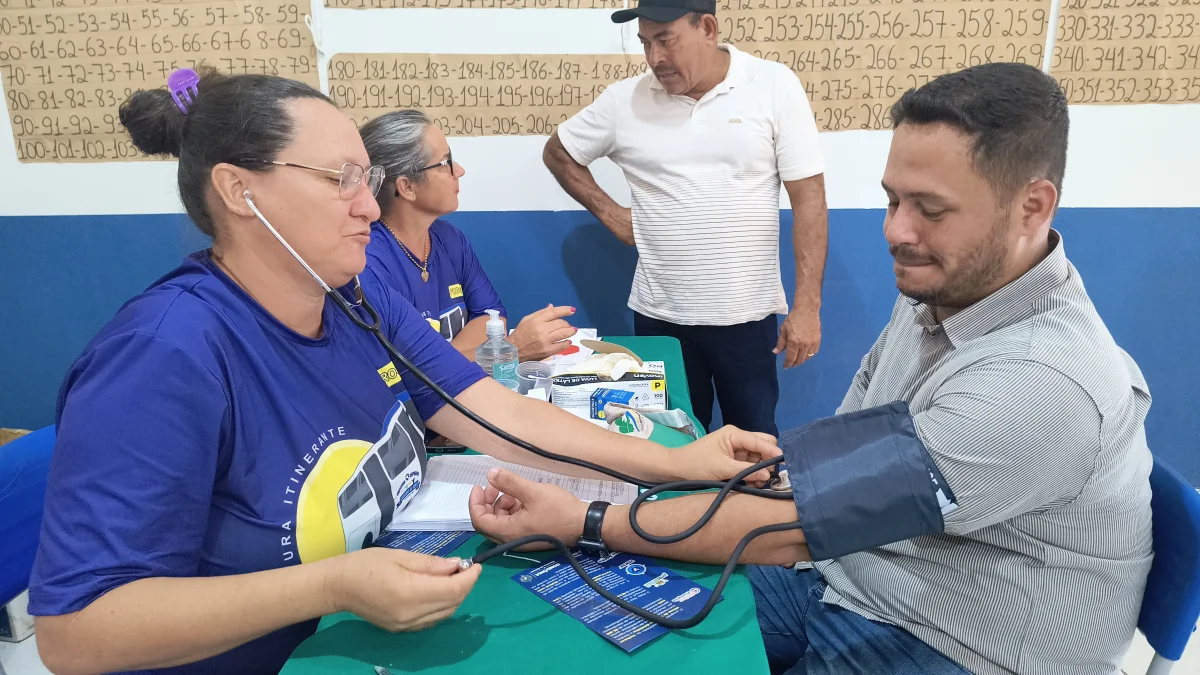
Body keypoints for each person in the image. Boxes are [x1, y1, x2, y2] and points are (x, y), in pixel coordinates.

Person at [26, 68, 781, 675]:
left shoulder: (353, 297)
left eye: (370, 177)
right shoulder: (165, 354)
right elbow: (74, 632)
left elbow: (498, 411)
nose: (368, 205)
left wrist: (677, 461)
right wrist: (331, 585)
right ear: (237, 190)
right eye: (341, 178)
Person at [471, 62, 1154, 675]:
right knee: (605, 612)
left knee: (628, 557)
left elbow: (800, 523)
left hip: (957, 638)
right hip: (855, 573)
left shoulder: (1040, 382)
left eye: (930, 210)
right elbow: (839, 467)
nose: (896, 231)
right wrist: (686, 485)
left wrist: (587, 518)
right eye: (893, 199)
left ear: (1033, 207)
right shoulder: (942, 293)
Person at [543, 0, 829, 437]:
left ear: (708, 28)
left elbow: (809, 198)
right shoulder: (625, 101)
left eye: (665, 40)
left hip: (746, 319)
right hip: (660, 318)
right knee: (668, 443)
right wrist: (612, 215)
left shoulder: (773, 85)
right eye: (645, 43)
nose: (655, 57)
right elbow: (559, 152)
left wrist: (807, 307)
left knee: (752, 446)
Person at [358, 110, 577, 363]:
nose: (459, 171)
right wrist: (509, 352)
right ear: (407, 187)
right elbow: (405, 372)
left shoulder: (450, 239)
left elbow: (491, 316)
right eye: (446, 163)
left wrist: (446, 365)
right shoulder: (368, 262)